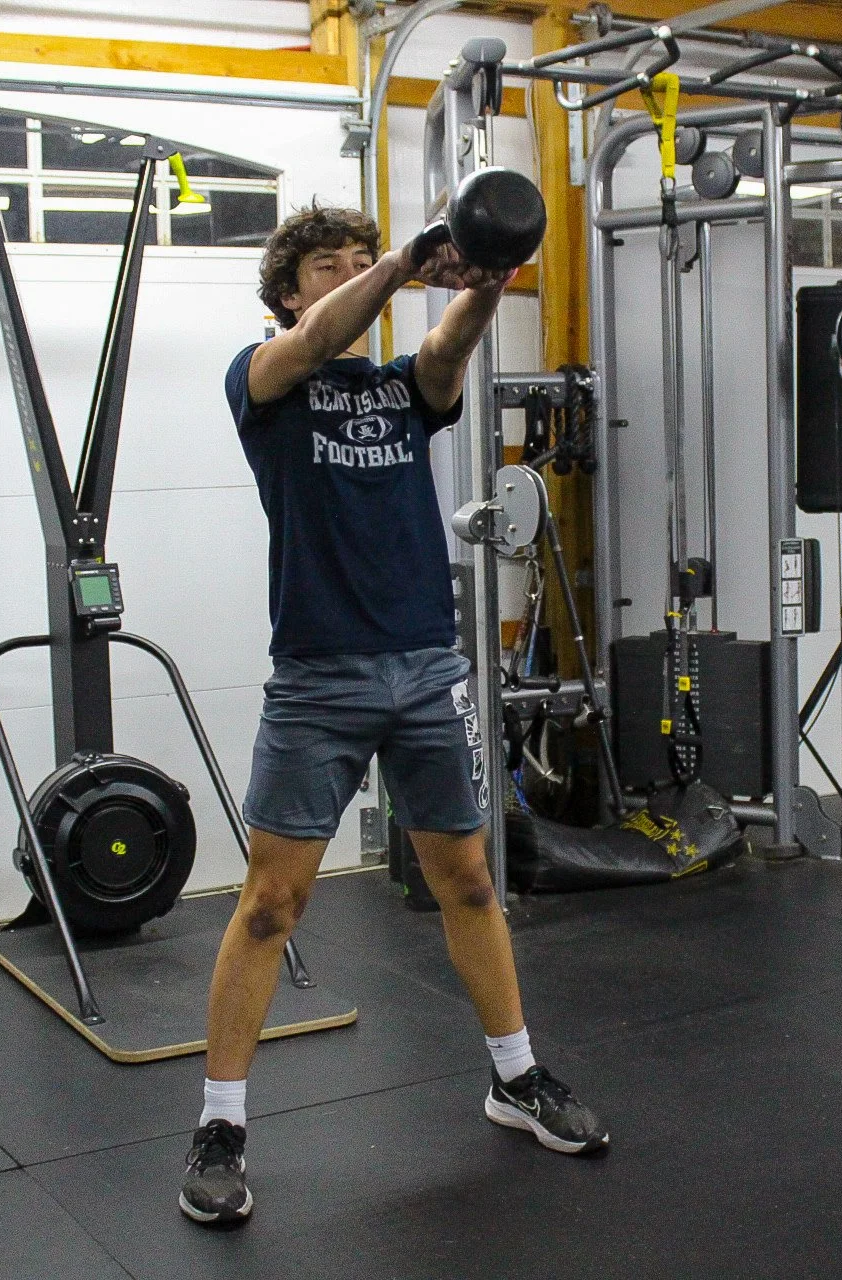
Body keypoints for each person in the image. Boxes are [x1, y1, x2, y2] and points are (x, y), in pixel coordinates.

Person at [179, 203, 609, 1226]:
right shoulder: (263, 376)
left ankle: (515, 1076)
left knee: (466, 877)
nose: (351, 276)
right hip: (319, 678)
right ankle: (221, 1124)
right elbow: (321, 336)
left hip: (426, 670)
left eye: (364, 263)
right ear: (289, 288)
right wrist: (412, 257)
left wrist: (490, 274)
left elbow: (451, 346)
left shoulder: (399, 387)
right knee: (272, 902)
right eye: (330, 265)